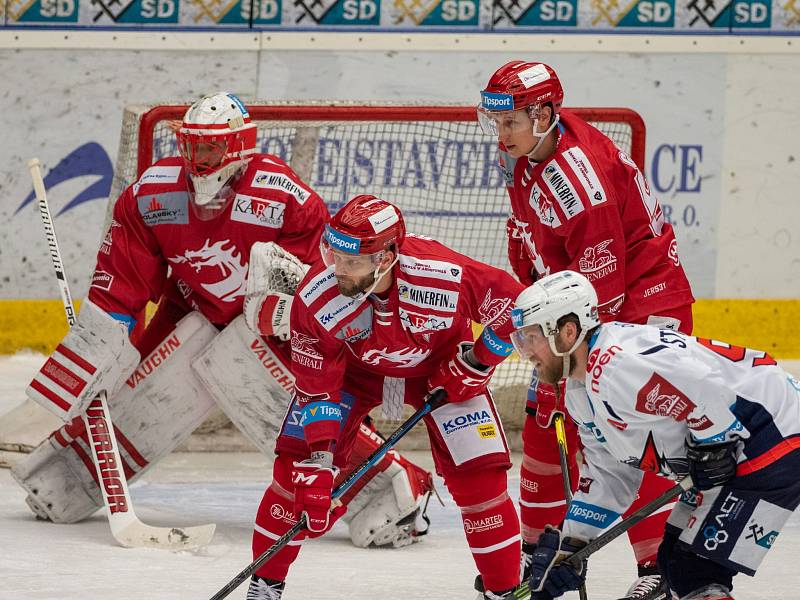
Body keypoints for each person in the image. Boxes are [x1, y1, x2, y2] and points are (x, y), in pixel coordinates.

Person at [14, 92, 433, 551]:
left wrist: (280, 335)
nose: (198, 158)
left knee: (300, 410)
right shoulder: (152, 193)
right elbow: (123, 278)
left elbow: (311, 292)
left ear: (239, 146)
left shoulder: (283, 196)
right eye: (192, 145)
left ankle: (392, 491)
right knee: (135, 391)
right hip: (190, 309)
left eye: (211, 147)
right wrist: (102, 344)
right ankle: (62, 479)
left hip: (266, 328)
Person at [477, 60, 696, 599]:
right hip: (577, 310)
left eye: (510, 124)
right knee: (542, 428)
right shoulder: (528, 152)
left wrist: (579, 376)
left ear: (546, 113)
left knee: (635, 440)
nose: (500, 136)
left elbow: (603, 297)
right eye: (497, 123)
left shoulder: (580, 182)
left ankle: (658, 574)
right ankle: (539, 560)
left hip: (641, 307)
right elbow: (534, 236)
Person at [246, 194, 526, 600]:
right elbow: (318, 385)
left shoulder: (442, 274)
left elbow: (518, 309)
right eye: (334, 256)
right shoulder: (315, 296)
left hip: (441, 371)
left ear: (387, 256)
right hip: (353, 375)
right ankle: (264, 586)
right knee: (295, 475)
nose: (338, 271)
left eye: (352, 262)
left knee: (480, 478)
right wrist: (320, 460)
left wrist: (479, 361)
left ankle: (504, 592)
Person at [510, 269, 800, 600]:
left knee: (693, 569)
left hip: (773, 432)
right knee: (673, 561)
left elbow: (702, 383)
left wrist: (713, 442)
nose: (526, 352)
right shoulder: (582, 391)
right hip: (753, 438)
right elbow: (611, 478)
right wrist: (572, 545)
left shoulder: (615, 364)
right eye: (522, 339)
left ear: (568, 331)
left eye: (532, 338)